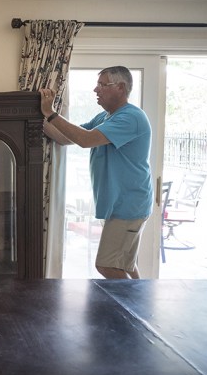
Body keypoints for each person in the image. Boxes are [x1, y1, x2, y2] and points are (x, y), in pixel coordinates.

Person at [39, 66, 152, 279]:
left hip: (128, 205)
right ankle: (140, 309)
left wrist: (51, 113)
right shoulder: (105, 116)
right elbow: (66, 138)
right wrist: (39, 118)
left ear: (121, 87)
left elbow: (86, 140)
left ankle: (129, 311)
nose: (95, 89)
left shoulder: (130, 117)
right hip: (121, 204)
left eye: (102, 84)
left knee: (107, 266)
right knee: (124, 266)